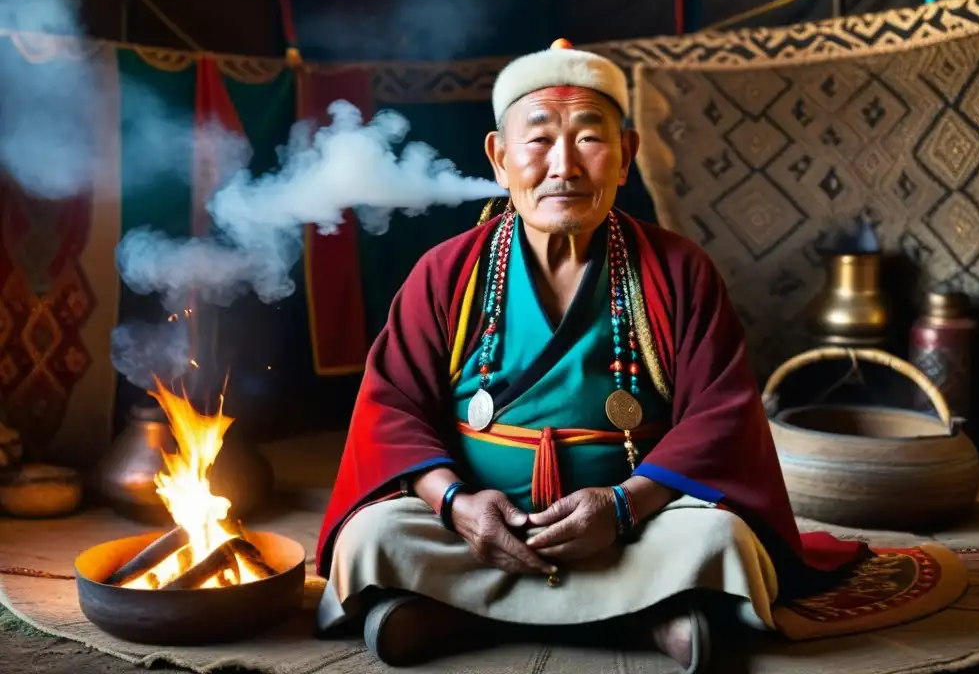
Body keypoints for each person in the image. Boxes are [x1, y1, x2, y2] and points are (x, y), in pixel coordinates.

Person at [314, 39, 868, 673]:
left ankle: (457, 612)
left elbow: (721, 415)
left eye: (587, 139)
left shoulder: (677, 270)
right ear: (500, 159)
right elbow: (391, 408)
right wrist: (456, 505)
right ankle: (646, 617)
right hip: (476, 529)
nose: (564, 167)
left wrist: (625, 505)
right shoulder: (447, 272)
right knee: (374, 536)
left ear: (626, 156)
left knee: (718, 538)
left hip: (633, 527)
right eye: (540, 139)